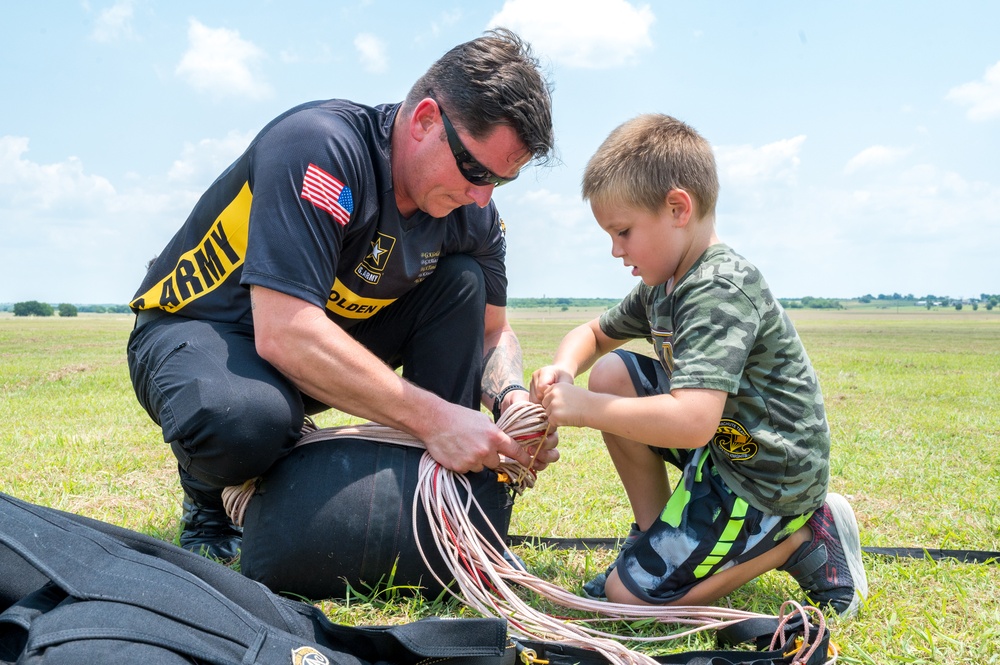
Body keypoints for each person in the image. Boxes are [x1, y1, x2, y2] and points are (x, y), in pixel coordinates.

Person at [127, 28, 559, 561]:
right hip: (203, 332)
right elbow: (285, 331)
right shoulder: (320, 147)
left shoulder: (472, 212)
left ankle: (432, 497)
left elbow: (494, 330)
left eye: (500, 180)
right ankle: (207, 500)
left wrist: (511, 400)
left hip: (320, 340)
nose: (482, 196)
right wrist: (436, 417)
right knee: (248, 421)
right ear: (425, 120)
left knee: (462, 280)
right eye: (474, 170)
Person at [530, 114, 867, 617]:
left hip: (764, 475)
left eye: (623, 231)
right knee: (609, 373)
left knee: (627, 601)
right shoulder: (663, 284)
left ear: (677, 208)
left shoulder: (718, 289)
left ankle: (799, 539)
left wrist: (584, 408)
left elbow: (692, 422)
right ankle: (651, 536)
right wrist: (563, 368)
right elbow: (595, 336)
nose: (616, 250)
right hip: (725, 446)